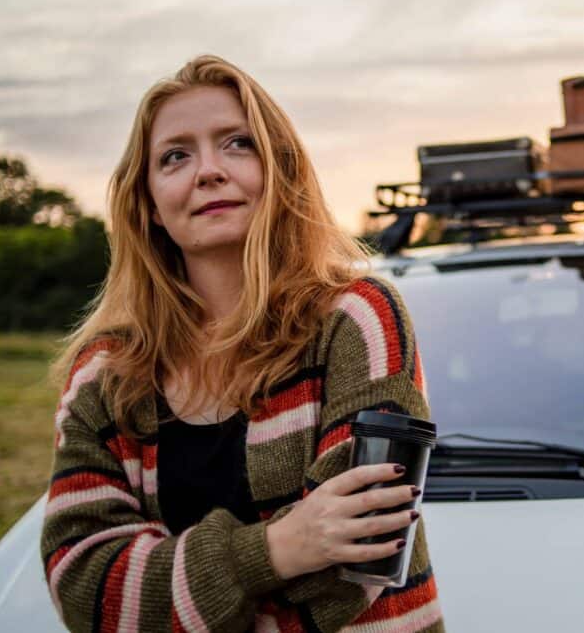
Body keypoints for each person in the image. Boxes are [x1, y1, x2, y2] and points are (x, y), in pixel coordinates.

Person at [41, 55, 444, 632]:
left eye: (236, 144)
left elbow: (363, 557)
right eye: (176, 156)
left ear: (278, 170)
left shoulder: (355, 317)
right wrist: (280, 546)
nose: (208, 171)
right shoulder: (103, 374)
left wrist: (172, 603)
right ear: (150, 204)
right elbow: (86, 590)